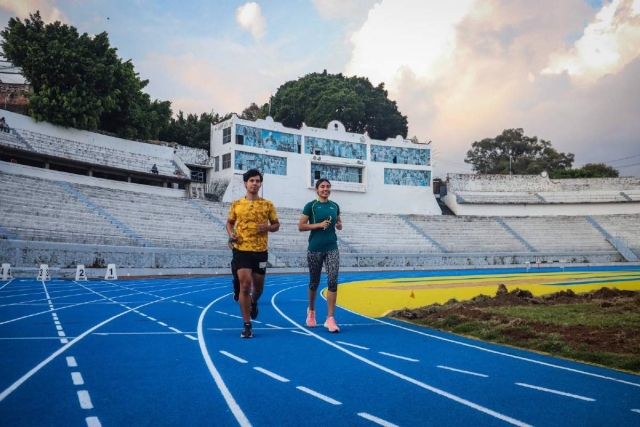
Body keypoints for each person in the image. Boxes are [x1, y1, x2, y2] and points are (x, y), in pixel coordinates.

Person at [226, 169, 280, 338]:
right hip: (242, 250)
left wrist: (267, 227)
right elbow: (229, 222)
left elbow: (276, 225)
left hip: (260, 251)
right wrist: (231, 234)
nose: (254, 183)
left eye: (257, 181)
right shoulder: (236, 204)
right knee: (245, 286)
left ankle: (254, 303)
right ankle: (247, 324)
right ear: (245, 183)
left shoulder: (267, 204)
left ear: (260, 184)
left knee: (258, 288)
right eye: (251, 181)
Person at [298, 178, 343, 332]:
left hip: (332, 247)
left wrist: (339, 225)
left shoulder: (335, 206)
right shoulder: (311, 206)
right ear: (317, 189)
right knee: (314, 281)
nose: (325, 189)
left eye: (328, 187)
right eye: (322, 186)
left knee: (333, 280)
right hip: (315, 248)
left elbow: (339, 222)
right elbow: (301, 226)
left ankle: (330, 318)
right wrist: (318, 225)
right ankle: (311, 310)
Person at [227, 232, 240, 302]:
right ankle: (237, 291)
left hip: (248, 259)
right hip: (236, 260)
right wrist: (234, 249)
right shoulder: (236, 231)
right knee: (236, 279)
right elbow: (229, 242)